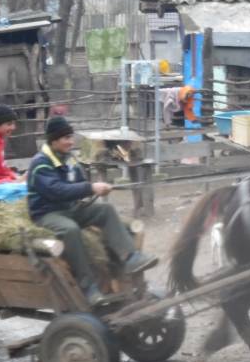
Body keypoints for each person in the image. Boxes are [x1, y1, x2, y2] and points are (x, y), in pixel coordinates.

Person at [27, 116, 157, 305]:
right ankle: (88, 286)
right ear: (53, 140)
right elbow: (57, 191)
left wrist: (96, 186)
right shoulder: (40, 163)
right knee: (71, 230)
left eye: (71, 137)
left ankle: (130, 257)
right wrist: (90, 188)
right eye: (66, 138)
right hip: (47, 214)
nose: (71, 142)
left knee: (105, 210)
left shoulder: (68, 158)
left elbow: (80, 182)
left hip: (70, 208)